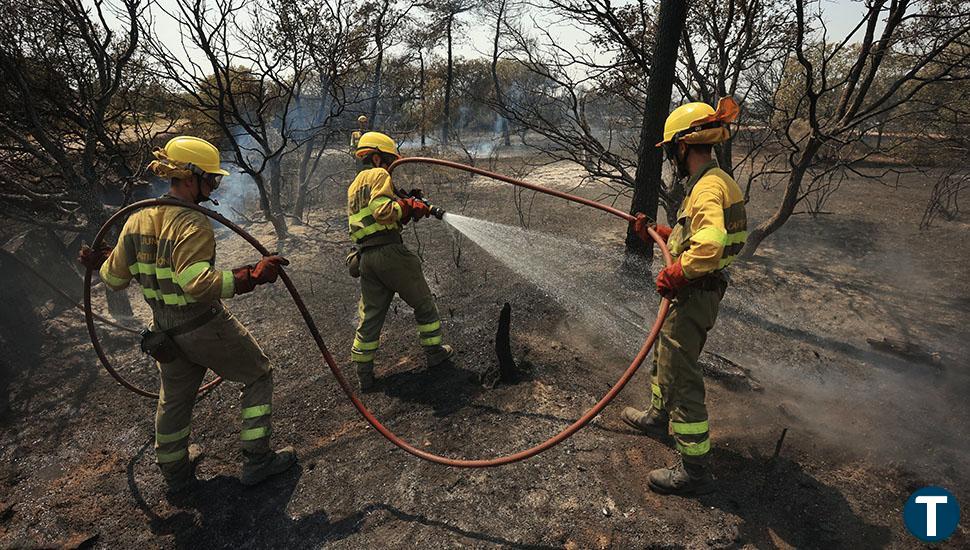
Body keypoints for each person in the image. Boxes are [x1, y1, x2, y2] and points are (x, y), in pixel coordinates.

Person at [78, 136, 296, 494]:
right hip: (203, 325)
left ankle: (176, 474)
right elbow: (196, 284)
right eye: (211, 179)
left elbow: (115, 279)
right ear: (190, 177)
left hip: (163, 330)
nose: (213, 186)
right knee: (258, 374)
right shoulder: (192, 223)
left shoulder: (138, 220)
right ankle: (258, 461)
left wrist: (102, 262)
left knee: (174, 400)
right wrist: (251, 276)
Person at [621, 97, 746, 496]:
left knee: (682, 373)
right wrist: (659, 232)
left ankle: (694, 469)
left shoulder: (708, 188)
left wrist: (677, 271)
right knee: (665, 355)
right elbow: (697, 238)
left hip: (695, 292)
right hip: (696, 290)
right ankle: (658, 415)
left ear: (682, 146)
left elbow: (708, 249)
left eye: (672, 148)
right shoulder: (716, 180)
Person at [346, 131, 454, 391]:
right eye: (388, 161)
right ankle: (435, 354)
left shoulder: (355, 184)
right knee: (424, 305)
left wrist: (404, 205)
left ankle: (364, 374)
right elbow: (383, 212)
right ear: (375, 157)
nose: (390, 167)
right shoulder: (379, 175)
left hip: (366, 258)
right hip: (390, 253)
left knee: (370, 317)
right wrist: (407, 207)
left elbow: (373, 218)